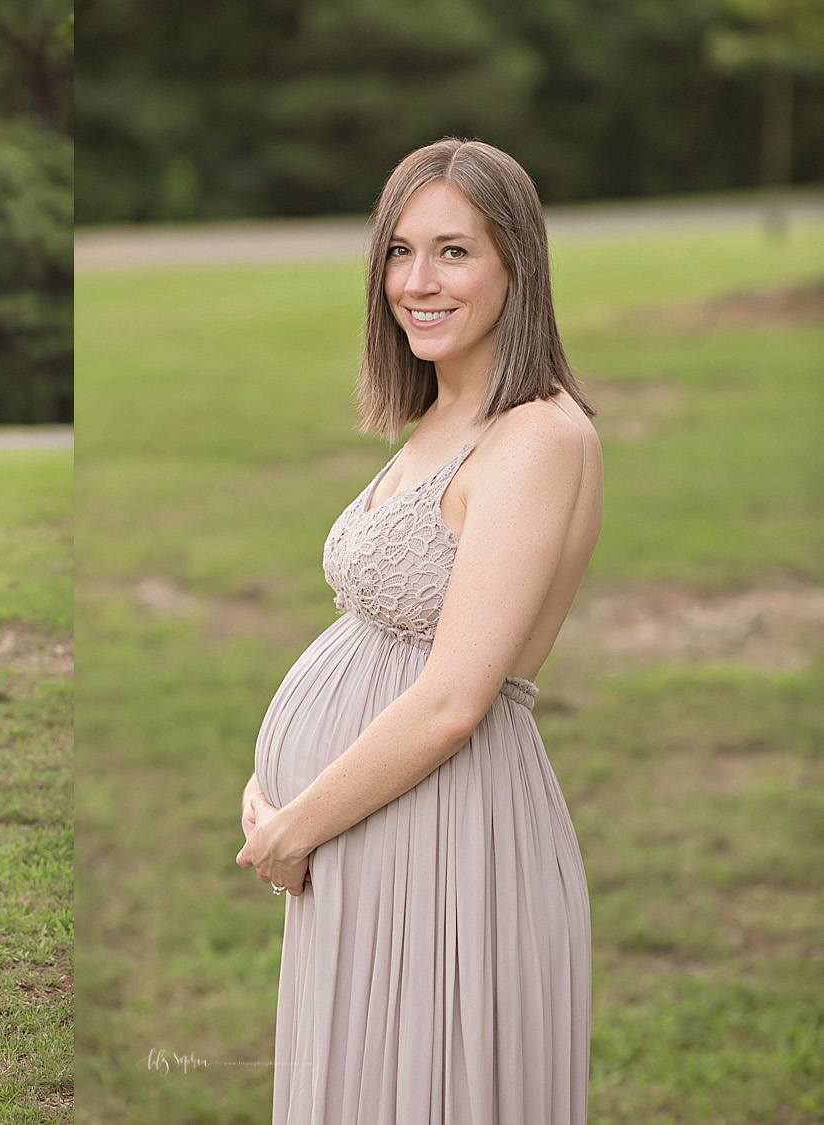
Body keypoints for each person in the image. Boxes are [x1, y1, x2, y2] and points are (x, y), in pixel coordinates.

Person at [235, 138, 602, 1123]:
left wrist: (298, 824)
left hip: (446, 837)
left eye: (454, 251)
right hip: (367, 832)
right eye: (400, 252)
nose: (418, 282)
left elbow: (451, 702)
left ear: (516, 263)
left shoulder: (536, 438)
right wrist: (287, 792)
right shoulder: (443, 418)